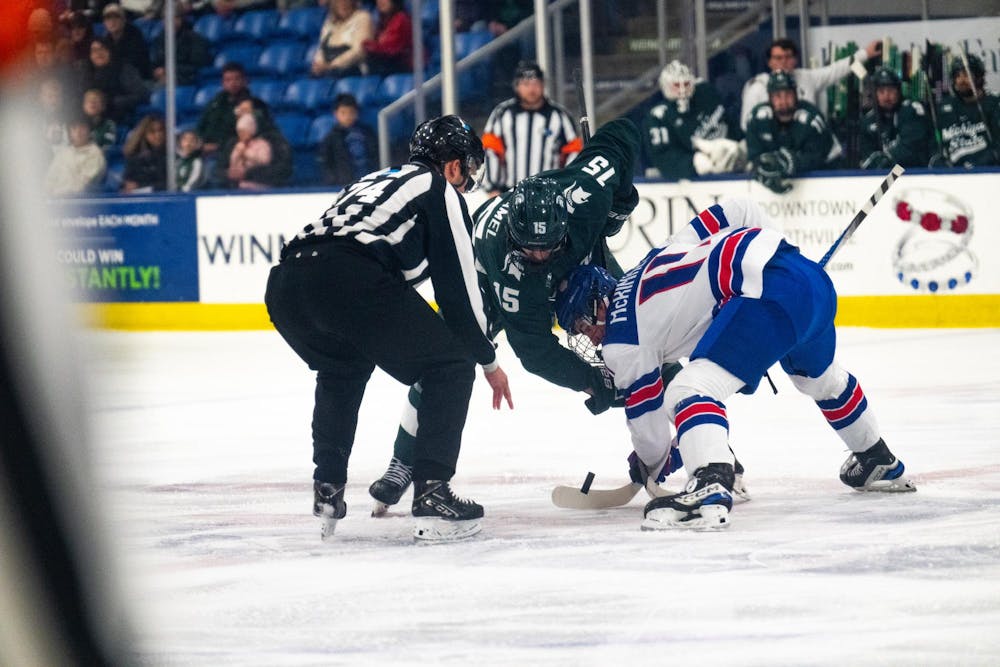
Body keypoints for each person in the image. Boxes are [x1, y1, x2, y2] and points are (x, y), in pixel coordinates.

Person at [367, 119, 681, 514]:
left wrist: (618, 199)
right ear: (516, 239)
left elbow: (623, 131)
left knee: (639, 332)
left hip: (580, 257)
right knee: (449, 358)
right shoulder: (515, 276)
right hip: (485, 277)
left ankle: (704, 438)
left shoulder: (585, 197)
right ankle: (403, 460)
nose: (538, 257)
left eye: (546, 249)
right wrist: (594, 382)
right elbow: (535, 352)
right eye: (529, 249)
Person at [554, 197, 916, 531]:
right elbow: (739, 210)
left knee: (689, 388)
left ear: (600, 299)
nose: (591, 335)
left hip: (769, 292)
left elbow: (650, 430)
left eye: (586, 321)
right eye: (580, 331)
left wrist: (651, 463)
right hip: (809, 279)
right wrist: (771, 255)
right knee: (820, 381)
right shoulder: (656, 256)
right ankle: (877, 460)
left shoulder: (622, 342)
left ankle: (711, 483)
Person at [264, 115, 512, 542]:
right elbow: (458, 295)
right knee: (451, 364)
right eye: (467, 172)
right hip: (349, 276)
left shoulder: (374, 179)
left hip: (287, 283)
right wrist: (488, 360)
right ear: (452, 166)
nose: (467, 183)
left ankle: (328, 487)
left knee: (342, 370)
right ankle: (433, 491)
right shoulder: (439, 189)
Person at [480, 61, 581, 196]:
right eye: (526, 84)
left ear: (543, 85)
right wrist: (492, 187)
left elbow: (574, 152)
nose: (531, 89)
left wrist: (566, 185)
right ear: (516, 86)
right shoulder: (502, 114)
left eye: (536, 84)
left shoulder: (560, 116)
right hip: (509, 193)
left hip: (549, 194)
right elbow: (490, 151)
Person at [739, 37, 881, 131]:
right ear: (769, 62)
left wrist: (865, 54)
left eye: (788, 57)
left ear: (795, 60)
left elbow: (836, 70)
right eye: (778, 58)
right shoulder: (757, 86)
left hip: (809, 146)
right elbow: (746, 125)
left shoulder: (807, 78)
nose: (783, 61)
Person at [643, 60, 744, 180]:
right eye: (676, 85)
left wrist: (739, 142)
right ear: (666, 86)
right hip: (693, 182)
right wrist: (692, 163)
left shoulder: (706, 93)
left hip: (731, 161)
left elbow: (728, 120)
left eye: (686, 84)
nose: (682, 90)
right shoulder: (658, 116)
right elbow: (663, 157)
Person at [746, 70, 842, 194]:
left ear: (796, 94)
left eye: (788, 94)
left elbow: (817, 157)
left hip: (827, 175)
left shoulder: (811, 119)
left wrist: (790, 161)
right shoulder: (757, 118)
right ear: (770, 98)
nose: (783, 101)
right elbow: (754, 156)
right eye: (777, 96)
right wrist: (762, 168)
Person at [858, 67, 933, 170]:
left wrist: (886, 160)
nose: (886, 96)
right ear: (874, 94)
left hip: (913, 173)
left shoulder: (912, 110)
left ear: (898, 91)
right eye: (881, 91)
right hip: (883, 176)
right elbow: (866, 156)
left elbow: (911, 150)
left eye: (890, 90)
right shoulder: (868, 121)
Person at [935, 54, 1000, 168]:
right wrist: (938, 162)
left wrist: (982, 162)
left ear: (979, 77)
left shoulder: (994, 104)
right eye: (957, 76)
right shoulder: (944, 108)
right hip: (952, 176)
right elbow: (934, 145)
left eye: (966, 75)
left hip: (987, 174)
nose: (961, 80)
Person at [195, 62, 271, 154]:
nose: (232, 83)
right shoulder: (214, 104)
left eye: (237, 79)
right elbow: (201, 127)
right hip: (204, 150)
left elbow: (250, 135)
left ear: (245, 81)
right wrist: (198, 143)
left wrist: (217, 146)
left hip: (232, 152)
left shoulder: (256, 104)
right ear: (223, 83)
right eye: (228, 80)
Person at [214, 103, 292, 189]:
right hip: (233, 189)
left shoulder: (274, 142)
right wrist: (228, 173)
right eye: (238, 112)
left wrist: (248, 174)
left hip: (263, 189)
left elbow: (281, 170)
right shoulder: (234, 143)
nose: (242, 116)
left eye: (246, 112)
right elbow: (219, 169)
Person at [77, 36, 149, 123]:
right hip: (88, 121)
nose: (99, 53)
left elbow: (142, 95)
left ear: (110, 51)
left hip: (120, 117)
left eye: (102, 49)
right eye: (94, 51)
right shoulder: (86, 71)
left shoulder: (124, 68)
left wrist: (112, 101)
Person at [317, 92, 377, 186]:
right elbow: (326, 162)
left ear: (357, 113)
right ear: (336, 114)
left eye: (351, 112)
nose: (348, 117)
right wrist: (333, 181)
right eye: (343, 113)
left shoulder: (367, 133)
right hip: (344, 184)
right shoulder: (331, 138)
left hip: (370, 182)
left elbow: (375, 154)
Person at [309, 0, 372, 79]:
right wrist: (318, 64)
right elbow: (321, 49)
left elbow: (359, 50)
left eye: (346, 1)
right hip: (329, 71)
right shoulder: (329, 22)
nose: (343, 4)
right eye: (338, 2)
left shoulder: (363, 17)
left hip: (353, 71)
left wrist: (332, 65)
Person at [45, 115, 108, 195]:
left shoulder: (96, 155)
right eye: (74, 128)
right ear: (70, 132)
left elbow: (83, 185)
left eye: (82, 128)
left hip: (81, 201)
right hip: (55, 199)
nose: (78, 132)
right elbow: (50, 178)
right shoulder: (63, 153)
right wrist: (48, 192)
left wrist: (57, 193)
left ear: (90, 131)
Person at [151, 7, 212, 86]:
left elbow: (196, 65)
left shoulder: (194, 39)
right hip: (162, 78)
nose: (170, 22)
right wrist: (156, 71)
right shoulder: (159, 39)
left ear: (180, 19)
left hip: (185, 79)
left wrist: (167, 70)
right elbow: (155, 62)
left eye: (174, 18)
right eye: (166, 19)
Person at [100, 3, 153, 80]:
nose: (112, 21)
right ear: (104, 23)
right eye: (108, 18)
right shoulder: (105, 38)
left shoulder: (134, 35)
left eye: (116, 17)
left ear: (124, 20)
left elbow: (133, 63)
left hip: (138, 79)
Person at [362, 0, 412, 76]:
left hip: (402, 68)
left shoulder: (401, 19)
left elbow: (392, 49)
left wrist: (369, 45)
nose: (380, 1)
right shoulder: (383, 21)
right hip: (387, 67)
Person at [121, 113, 167, 192]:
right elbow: (128, 183)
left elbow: (168, 184)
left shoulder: (170, 155)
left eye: (161, 130)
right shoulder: (134, 158)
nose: (158, 135)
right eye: (152, 131)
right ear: (144, 134)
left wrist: (142, 186)